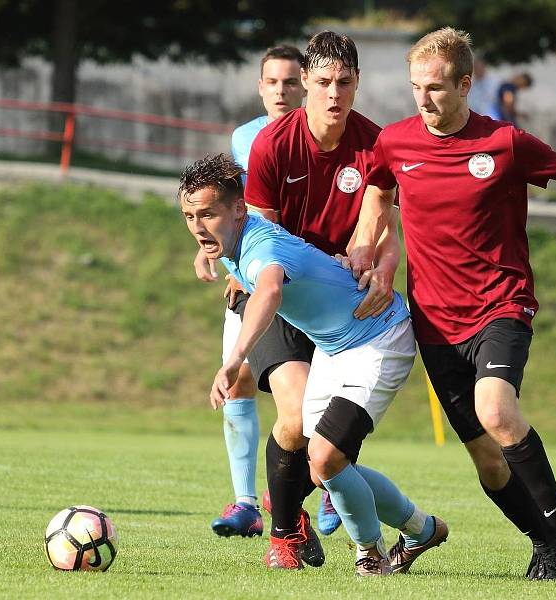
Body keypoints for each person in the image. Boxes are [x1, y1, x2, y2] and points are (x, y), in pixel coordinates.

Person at [348, 27, 556, 583]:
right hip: (435, 324)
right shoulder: (395, 143)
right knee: (487, 461)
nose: (424, 99)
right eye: (415, 87)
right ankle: (542, 543)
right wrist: (362, 249)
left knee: (497, 410)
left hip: (501, 305)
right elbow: (377, 194)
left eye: (437, 88)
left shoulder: (505, 143)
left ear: (467, 84)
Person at [179, 153, 448, 576]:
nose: (198, 226)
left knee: (324, 458)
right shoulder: (233, 238)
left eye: (208, 214)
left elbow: (267, 292)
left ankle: (371, 555)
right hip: (334, 348)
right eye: (190, 216)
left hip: (378, 337)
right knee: (325, 468)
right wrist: (207, 250)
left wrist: (233, 361)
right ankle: (421, 529)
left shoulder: (260, 248)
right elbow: (230, 251)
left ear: (238, 209)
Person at [241, 31, 400, 569]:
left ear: (358, 83)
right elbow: (264, 242)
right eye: (324, 82)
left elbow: (389, 224)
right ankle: (285, 533)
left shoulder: (376, 145)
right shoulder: (272, 145)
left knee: (324, 442)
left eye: (345, 82)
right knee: (295, 415)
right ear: (306, 81)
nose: (334, 93)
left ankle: (306, 508)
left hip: (343, 307)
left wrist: (383, 263)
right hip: (281, 292)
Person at [191, 45, 321, 539]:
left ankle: (321, 489)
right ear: (260, 86)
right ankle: (246, 502)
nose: (283, 91)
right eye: (274, 82)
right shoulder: (244, 137)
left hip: (297, 276)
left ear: (304, 84)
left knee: (314, 397)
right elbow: (231, 207)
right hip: (247, 275)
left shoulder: (317, 136)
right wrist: (211, 249)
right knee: (238, 382)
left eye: (291, 81)